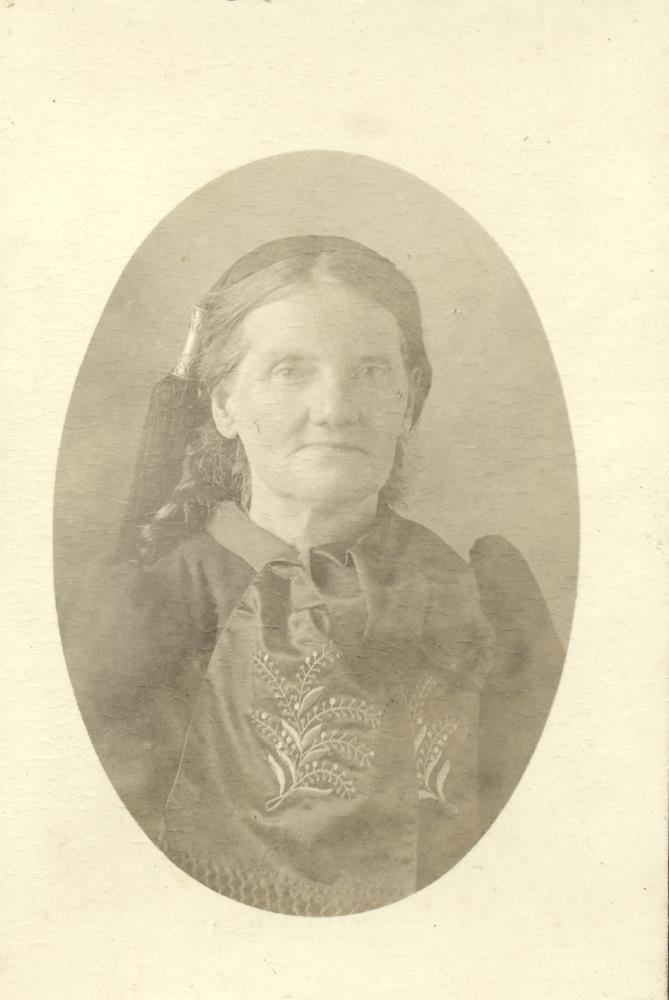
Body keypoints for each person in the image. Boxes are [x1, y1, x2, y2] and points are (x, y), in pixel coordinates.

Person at [60, 234, 565, 916]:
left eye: (370, 371)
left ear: (409, 400)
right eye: (290, 370)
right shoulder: (149, 611)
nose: (334, 409)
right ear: (224, 404)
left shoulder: (481, 602)